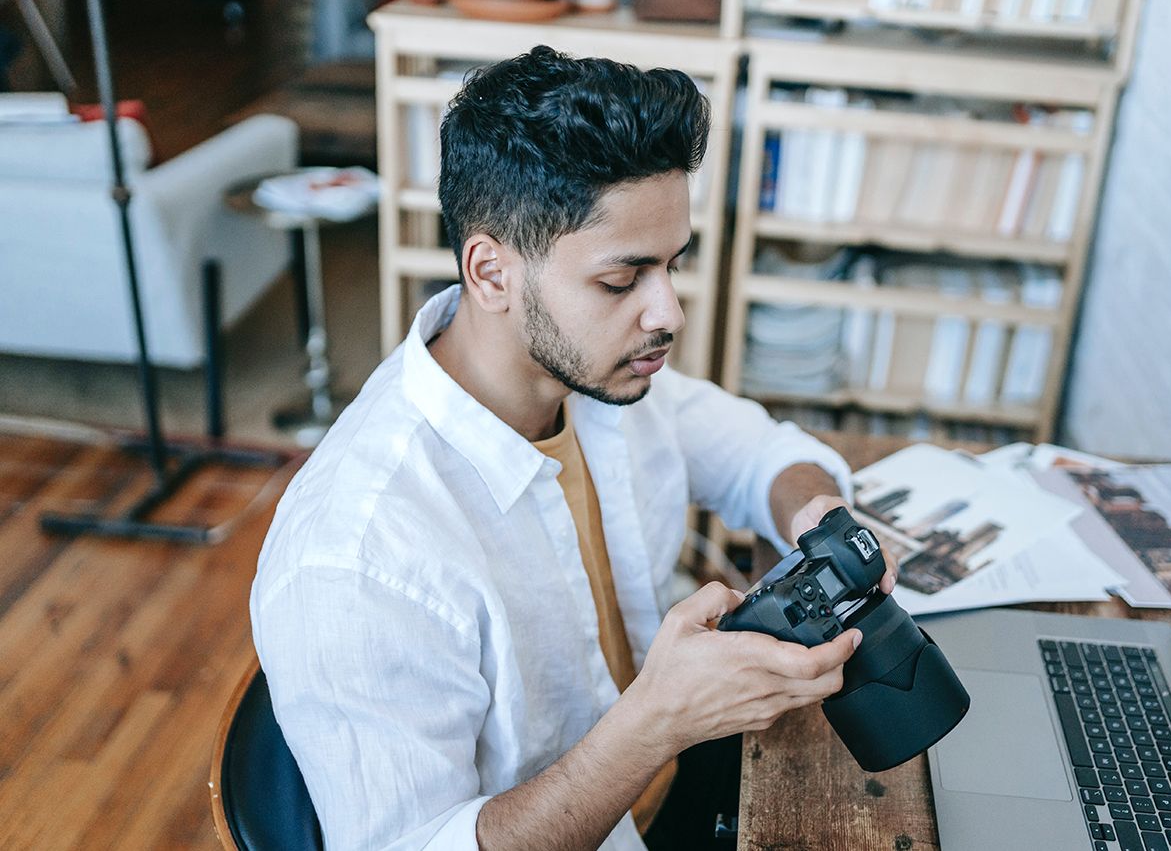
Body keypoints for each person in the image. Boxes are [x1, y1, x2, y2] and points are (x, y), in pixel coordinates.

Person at [251, 45, 897, 851]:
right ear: (491, 273)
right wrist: (654, 722)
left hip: (690, 766)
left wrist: (815, 510)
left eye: (672, 266)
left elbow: (750, 449)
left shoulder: (596, 376)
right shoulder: (355, 557)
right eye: (623, 281)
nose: (668, 314)